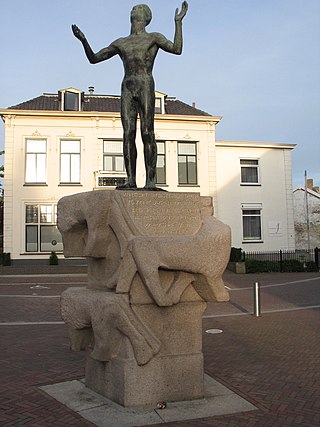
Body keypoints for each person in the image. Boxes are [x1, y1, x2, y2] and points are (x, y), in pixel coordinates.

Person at [72, 2, 188, 190]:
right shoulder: (121, 42)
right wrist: (84, 40)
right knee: (128, 134)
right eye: (133, 9)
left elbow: (177, 49)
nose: (134, 10)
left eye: (138, 8)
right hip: (127, 86)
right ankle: (131, 180)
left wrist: (178, 23)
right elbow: (94, 58)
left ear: (145, 17)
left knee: (147, 132)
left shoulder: (153, 37)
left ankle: (150, 181)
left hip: (145, 84)